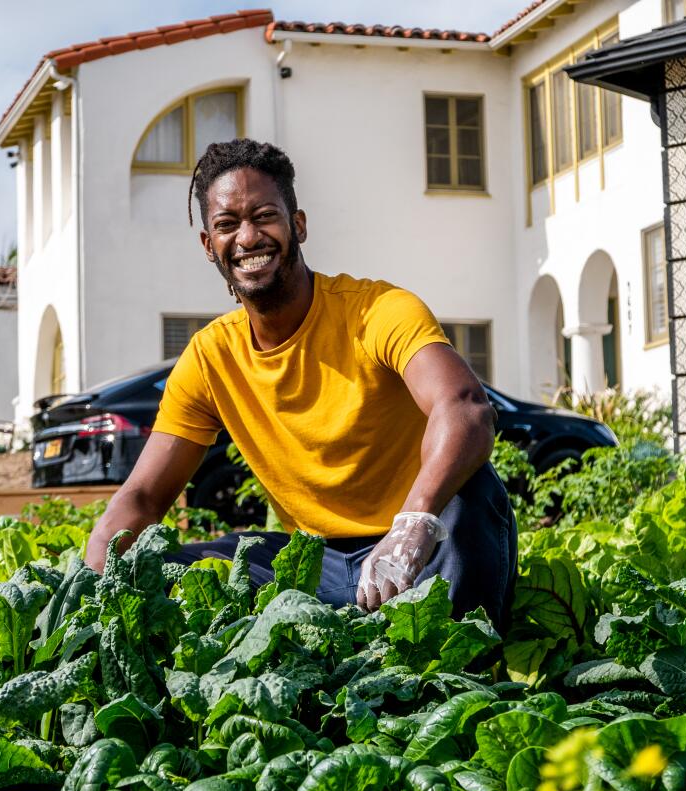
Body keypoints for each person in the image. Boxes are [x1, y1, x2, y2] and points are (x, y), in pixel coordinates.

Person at [86, 138, 516, 625]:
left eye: (264, 216)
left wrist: (414, 522)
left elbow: (464, 407)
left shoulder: (376, 310)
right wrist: (87, 585)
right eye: (227, 225)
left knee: (471, 494)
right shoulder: (211, 357)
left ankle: (455, 667)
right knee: (154, 569)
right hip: (318, 563)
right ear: (209, 245)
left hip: (425, 546)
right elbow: (143, 498)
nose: (248, 238)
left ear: (299, 225)